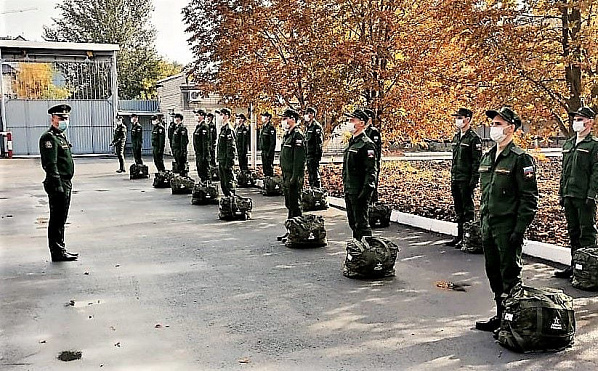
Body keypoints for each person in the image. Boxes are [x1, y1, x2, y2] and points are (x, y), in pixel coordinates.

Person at [475, 107, 538, 335]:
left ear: (511, 128)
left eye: (499, 124)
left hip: (507, 227)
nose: (494, 128)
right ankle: (501, 315)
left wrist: (519, 230)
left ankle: (514, 320)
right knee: (493, 272)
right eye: (493, 124)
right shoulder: (487, 157)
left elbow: (529, 198)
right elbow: (485, 194)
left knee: (510, 274)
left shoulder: (521, 159)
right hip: (488, 225)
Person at [555, 106, 598, 278]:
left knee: (586, 232)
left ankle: (590, 269)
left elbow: (596, 172)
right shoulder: (569, 144)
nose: (576, 122)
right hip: (569, 194)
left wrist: (592, 195)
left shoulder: (594, 145)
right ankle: (575, 265)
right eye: (575, 119)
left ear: (590, 122)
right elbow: (564, 172)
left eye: (580, 119)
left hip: (584, 196)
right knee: (573, 232)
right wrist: (561, 193)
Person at [39, 104, 79, 261]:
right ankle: (57, 251)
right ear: (53, 119)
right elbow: (50, 164)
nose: (64, 121)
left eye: (66, 118)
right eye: (61, 118)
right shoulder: (49, 137)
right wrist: (57, 185)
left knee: (61, 218)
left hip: (65, 182)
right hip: (58, 183)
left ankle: (60, 248)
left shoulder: (60, 136)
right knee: (57, 219)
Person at [446, 108, 482, 248]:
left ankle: (469, 237)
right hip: (456, 177)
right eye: (457, 117)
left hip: (466, 180)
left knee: (468, 210)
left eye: (460, 117)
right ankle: (459, 236)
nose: (458, 120)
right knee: (458, 209)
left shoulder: (474, 138)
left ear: (468, 119)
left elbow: (476, 162)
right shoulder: (457, 137)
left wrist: (473, 180)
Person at [343, 109, 377, 240]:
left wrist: (365, 192)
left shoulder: (366, 144)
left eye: (352, 120)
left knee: (361, 224)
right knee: (354, 223)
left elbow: (371, 171)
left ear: (362, 123)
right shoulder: (353, 142)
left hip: (359, 192)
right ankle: (358, 251)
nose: (349, 123)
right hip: (350, 190)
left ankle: (367, 253)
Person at [279, 108, 306, 221]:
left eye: (286, 118)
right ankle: (292, 228)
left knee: (295, 204)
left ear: (293, 119)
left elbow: (299, 159)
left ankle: (298, 228)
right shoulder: (287, 135)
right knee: (289, 203)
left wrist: (295, 177)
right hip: (286, 174)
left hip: (293, 175)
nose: (283, 121)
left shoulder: (297, 135)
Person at [217, 108, 237, 196]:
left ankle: (231, 199)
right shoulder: (223, 129)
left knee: (228, 182)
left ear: (227, 116)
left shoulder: (229, 129)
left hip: (226, 160)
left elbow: (231, 147)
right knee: (223, 182)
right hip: (221, 159)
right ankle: (227, 200)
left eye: (221, 115)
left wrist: (229, 161)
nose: (220, 117)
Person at [363, 108, 382, 202]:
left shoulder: (373, 132)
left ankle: (373, 207)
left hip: (371, 164)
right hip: (364, 164)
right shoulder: (363, 132)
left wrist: (370, 162)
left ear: (370, 119)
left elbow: (374, 150)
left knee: (372, 186)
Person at [304, 107, 323, 188]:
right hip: (308, 154)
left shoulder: (316, 127)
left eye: (310, 113)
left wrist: (317, 156)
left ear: (313, 115)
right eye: (307, 113)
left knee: (315, 173)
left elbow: (318, 142)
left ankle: (317, 190)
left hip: (314, 155)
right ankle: (312, 190)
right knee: (310, 174)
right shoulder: (308, 127)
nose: (308, 115)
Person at [193, 109, 212, 182]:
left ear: (202, 116)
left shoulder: (204, 127)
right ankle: (204, 183)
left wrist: (205, 155)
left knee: (205, 171)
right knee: (200, 170)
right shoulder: (198, 127)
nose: (196, 117)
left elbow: (205, 142)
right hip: (198, 153)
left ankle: (208, 186)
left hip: (203, 153)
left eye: (197, 115)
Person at [259, 112, 276, 177]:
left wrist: (269, 152)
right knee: (265, 168)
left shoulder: (270, 128)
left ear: (268, 117)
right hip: (263, 151)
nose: (262, 118)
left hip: (268, 151)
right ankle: (266, 181)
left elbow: (272, 142)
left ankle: (270, 182)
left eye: (264, 116)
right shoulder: (263, 127)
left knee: (269, 168)